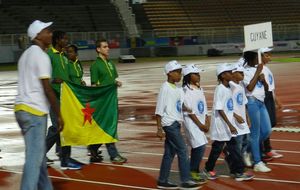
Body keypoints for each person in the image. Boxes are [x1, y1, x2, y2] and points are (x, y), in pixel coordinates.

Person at [14, 20, 63, 190]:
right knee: (34, 161)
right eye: (47, 31)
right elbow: (47, 89)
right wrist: (59, 114)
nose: (50, 33)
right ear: (37, 35)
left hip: (21, 109)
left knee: (39, 158)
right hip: (34, 111)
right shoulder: (41, 56)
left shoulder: (25, 55)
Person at [155, 60, 201, 190]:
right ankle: (185, 180)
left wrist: (186, 108)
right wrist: (159, 128)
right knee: (183, 150)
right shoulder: (165, 87)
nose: (180, 75)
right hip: (169, 124)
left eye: (180, 72)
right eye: (177, 72)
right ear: (169, 73)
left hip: (175, 123)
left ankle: (162, 180)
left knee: (169, 153)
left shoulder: (178, 89)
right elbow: (159, 110)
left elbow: (177, 104)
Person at [204, 63, 254, 181]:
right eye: (229, 73)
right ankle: (208, 169)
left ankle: (238, 171)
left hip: (228, 125)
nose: (232, 74)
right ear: (222, 76)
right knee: (217, 149)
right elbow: (220, 109)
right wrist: (230, 124)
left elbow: (230, 107)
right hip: (221, 125)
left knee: (234, 148)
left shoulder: (229, 88)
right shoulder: (220, 89)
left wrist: (234, 119)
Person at [46, 31, 81, 170]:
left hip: (66, 97)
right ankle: (39, 155)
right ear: (57, 40)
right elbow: (43, 76)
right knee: (56, 128)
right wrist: (54, 80)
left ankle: (65, 159)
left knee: (66, 128)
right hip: (53, 96)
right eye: (64, 39)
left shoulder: (65, 56)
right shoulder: (49, 56)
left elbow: (69, 76)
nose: (67, 41)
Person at [89, 39, 127, 164]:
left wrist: (116, 83)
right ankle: (113, 155)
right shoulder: (95, 65)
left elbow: (110, 80)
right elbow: (94, 85)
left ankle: (93, 148)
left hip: (112, 99)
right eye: (105, 47)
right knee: (109, 127)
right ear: (98, 49)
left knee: (108, 126)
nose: (108, 49)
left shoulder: (110, 63)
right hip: (103, 102)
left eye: (108, 46)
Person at [243, 51, 272, 172]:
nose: (259, 60)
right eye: (257, 58)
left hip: (261, 101)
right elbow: (249, 88)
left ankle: (246, 149)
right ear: (251, 59)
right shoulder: (244, 71)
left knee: (266, 131)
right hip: (252, 102)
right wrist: (257, 73)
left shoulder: (258, 69)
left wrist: (263, 80)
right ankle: (257, 162)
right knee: (255, 133)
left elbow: (266, 88)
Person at [182, 64, 209, 184]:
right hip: (192, 122)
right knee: (200, 146)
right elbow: (190, 111)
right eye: (196, 74)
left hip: (201, 122)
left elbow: (204, 106)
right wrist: (200, 124)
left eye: (199, 73)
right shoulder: (186, 90)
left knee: (198, 146)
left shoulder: (199, 88)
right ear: (188, 76)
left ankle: (194, 170)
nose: (199, 76)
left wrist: (207, 120)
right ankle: (193, 171)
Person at [260, 47, 283, 160]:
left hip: (269, 97)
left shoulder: (267, 69)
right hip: (263, 97)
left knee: (271, 123)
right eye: (267, 55)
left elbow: (271, 88)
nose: (269, 57)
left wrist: (276, 100)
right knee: (265, 125)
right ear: (260, 56)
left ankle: (266, 148)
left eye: (269, 55)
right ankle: (265, 149)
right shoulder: (259, 69)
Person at [227, 64, 251, 167]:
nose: (243, 75)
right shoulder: (230, 86)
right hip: (235, 120)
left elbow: (244, 103)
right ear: (233, 74)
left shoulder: (240, 85)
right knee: (238, 142)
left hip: (243, 119)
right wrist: (235, 116)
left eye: (243, 72)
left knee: (247, 140)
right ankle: (237, 163)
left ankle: (236, 158)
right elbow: (226, 105)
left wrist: (247, 117)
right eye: (240, 73)